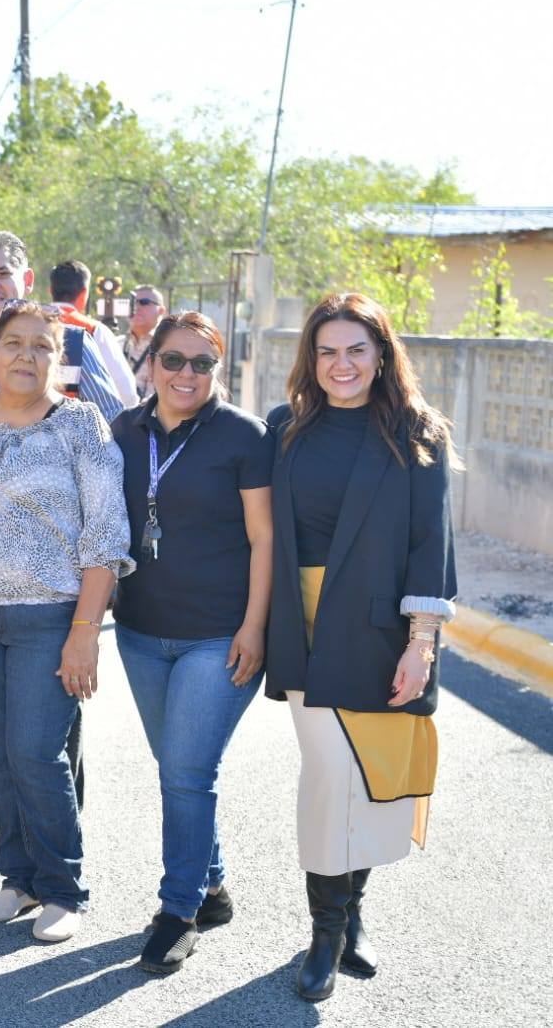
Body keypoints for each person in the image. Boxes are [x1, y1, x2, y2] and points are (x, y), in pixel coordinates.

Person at [263, 293, 457, 1002]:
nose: (339, 364)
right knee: (327, 776)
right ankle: (323, 932)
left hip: (379, 630)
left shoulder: (417, 432)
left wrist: (421, 644)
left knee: (370, 777)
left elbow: (429, 545)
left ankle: (351, 916)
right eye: (326, 351)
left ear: (380, 354)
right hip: (305, 625)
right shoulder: (284, 427)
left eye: (354, 349)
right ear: (309, 360)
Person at [0, 300, 131, 944]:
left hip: (48, 618)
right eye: (14, 342)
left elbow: (106, 536)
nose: (27, 356)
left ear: (59, 357)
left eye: (42, 346)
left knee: (37, 753)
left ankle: (62, 886)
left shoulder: (81, 426)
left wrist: (84, 633)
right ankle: (16, 877)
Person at [110, 312, 274, 973]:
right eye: (172, 360)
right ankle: (211, 884)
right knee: (177, 771)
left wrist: (254, 626)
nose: (185, 374)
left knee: (186, 774)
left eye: (201, 364)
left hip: (217, 635)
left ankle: (177, 910)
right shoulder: (123, 430)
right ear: (148, 363)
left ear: (218, 369)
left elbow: (264, 538)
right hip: (141, 632)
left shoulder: (242, 435)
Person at [0, 231, 97, 840]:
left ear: (26, 279)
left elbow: (118, 430)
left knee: (46, 737)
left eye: (2, 273)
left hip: (54, 583)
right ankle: (1, 817)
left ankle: (59, 840)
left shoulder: (80, 342)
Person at [48, 260, 139, 409]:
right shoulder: (93, 329)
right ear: (84, 294)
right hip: (73, 423)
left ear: (50, 290)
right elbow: (126, 392)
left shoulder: (25, 322)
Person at [122, 286, 165, 400]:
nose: (136, 307)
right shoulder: (116, 343)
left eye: (144, 302)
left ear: (161, 311)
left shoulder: (169, 345)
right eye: (133, 302)